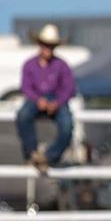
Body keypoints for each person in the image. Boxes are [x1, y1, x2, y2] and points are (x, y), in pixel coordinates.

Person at [16, 24, 77, 173]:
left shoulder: (61, 65)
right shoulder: (29, 65)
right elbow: (26, 87)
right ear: (39, 45)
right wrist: (38, 100)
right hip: (36, 99)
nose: (47, 49)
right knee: (23, 116)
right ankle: (33, 151)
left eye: (50, 46)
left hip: (56, 99)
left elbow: (69, 88)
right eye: (45, 45)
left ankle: (48, 156)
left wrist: (57, 102)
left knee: (67, 126)